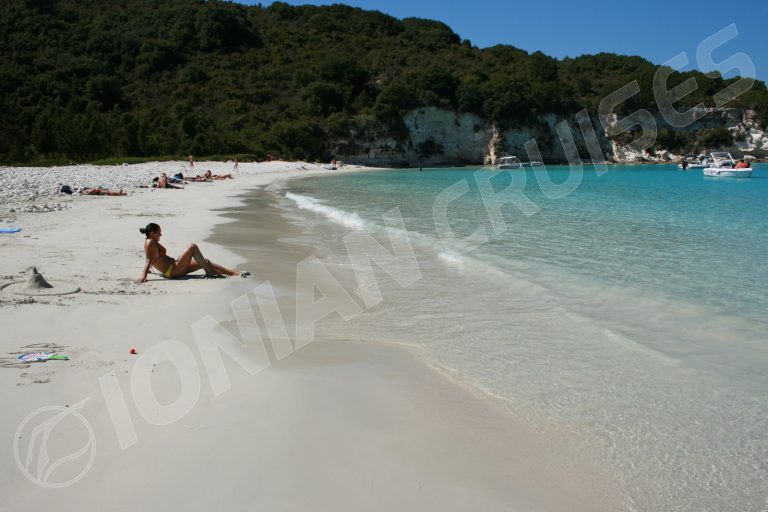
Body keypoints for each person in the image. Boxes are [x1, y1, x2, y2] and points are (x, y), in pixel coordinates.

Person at [137, 223, 249, 282]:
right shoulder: (150, 242)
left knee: (205, 261)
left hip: (174, 268)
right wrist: (144, 276)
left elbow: (152, 258)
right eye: (159, 233)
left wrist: (151, 270)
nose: (161, 235)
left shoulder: (150, 241)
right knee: (192, 246)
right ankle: (209, 273)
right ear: (152, 233)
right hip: (173, 270)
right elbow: (148, 260)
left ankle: (234, 273)